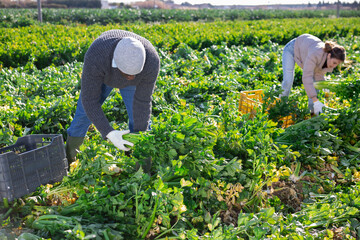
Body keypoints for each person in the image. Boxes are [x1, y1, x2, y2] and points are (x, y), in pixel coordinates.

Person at [65, 29, 160, 163]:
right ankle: (69, 159)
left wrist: (140, 136)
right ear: (116, 63)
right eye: (128, 75)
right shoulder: (97, 55)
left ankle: (139, 166)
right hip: (104, 74)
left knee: (138, 118)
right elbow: (89, 101)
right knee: (82, 115)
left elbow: (143, 103)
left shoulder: (151, 60)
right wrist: (108, 132)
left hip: (132, 76)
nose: (131, 78)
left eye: (135, 74)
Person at [280, 33, 346, 115]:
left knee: (316, 86)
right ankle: (280, 106)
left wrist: (325, 87)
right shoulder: (316, 54)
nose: (334, 66)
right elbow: (307, 77)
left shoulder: (328, 62)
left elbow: (318, 76)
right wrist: (315, 100)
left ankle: (312, 112)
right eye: (334, 62)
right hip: (292, 48)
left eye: (337, 64)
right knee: (288, 81)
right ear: (329, 55)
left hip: (306, 49)